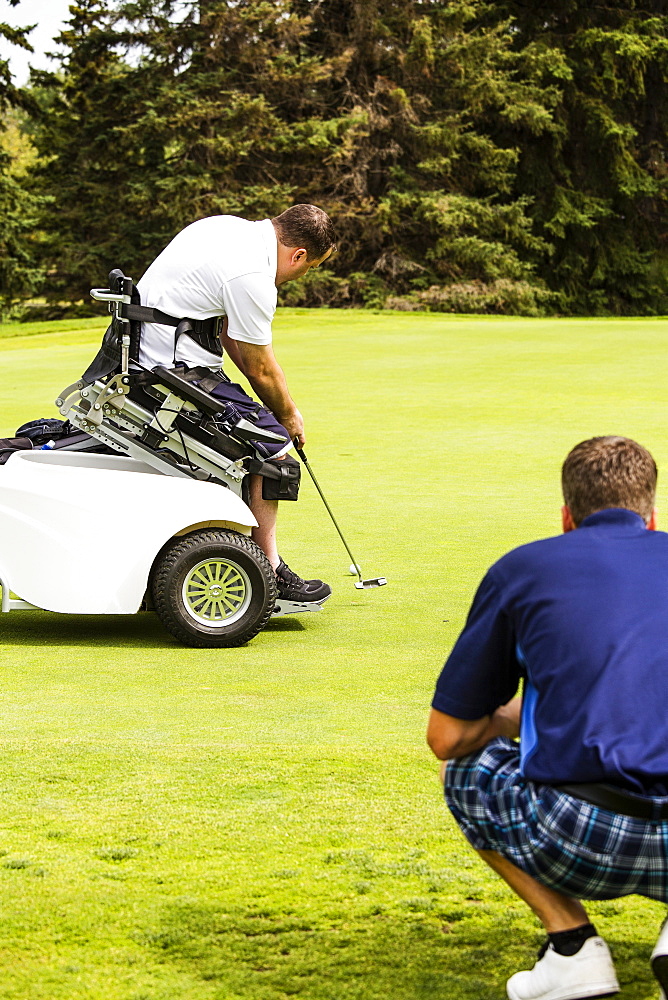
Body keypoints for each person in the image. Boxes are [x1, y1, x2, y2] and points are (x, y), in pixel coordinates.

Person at [427, 436, 668, 1000]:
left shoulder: (523, 569)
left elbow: (446, 737)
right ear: (653, 515)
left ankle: (572, 948)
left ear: (566, 517)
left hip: (579, 836)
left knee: (461, 771)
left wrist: (510, 719)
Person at [135, 204, 337, 605]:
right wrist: (287, 417)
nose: (303, 274)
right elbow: (261, 368)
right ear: (297, 255)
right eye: (310, 267)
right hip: (168, 375)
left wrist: (259, 398)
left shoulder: (224, 228)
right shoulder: (253, 277)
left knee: (257, 432)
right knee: (275, 451)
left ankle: (256, 557)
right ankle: (269, 569)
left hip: (147, 358)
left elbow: (232, 337)